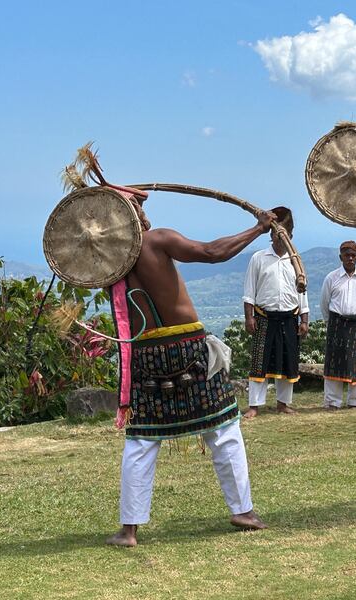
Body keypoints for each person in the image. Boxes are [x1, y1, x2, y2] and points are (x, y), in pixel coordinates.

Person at [105, 191, 275, 547]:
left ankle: (129, 530)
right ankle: (242, 509)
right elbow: (213, 253)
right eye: (138, 207)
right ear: (127, 215)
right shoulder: (156, 240)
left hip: (146, 355)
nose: (145, 214)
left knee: (141, 439)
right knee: (224, 427)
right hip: (187, 349)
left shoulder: (106, 262)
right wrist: (258, 228)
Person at [242, 207, 309, 419]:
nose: (280, 238)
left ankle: (283, 404)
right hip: (264, 317)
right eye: (276, 234)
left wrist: (304, 320)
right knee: (259, 362)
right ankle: (254, 405)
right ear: (271, 235)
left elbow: (303, 294)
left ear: (290, 236)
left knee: (287, 361)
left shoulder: (295, 261)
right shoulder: (259, 258)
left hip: (290, 317)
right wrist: (249, 317)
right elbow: (249, 291)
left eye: (284, 235)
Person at [320, 241, 356, 409]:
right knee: (334, 362)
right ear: (340, 257)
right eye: (346, 255)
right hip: (337, 324)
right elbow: (324, 303)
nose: (350, 258)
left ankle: (355, 401)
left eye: (353, 255)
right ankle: (332, 401)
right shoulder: (331, 277)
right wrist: (332, 322)